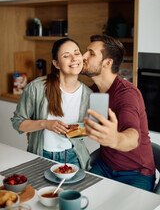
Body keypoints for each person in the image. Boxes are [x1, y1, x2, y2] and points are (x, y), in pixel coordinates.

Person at [81, 34, 155, 191]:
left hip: (136, 173)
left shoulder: (127, 94)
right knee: (78, 197)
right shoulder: (95, 90)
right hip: (105, 166)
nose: (83, 56)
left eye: (91, 53)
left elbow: (133, 137)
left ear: (107, 63)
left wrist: (115, 139)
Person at [11, 38, 92, 170]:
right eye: (66, 56)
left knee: (74, 191)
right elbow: (17, 123)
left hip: (73, 157)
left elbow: (90, 131)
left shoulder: (88, 94)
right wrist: (45, 124)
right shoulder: (37, 87)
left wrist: (77, 130)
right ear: (56, 64)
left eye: (76, 53)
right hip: (40, 155)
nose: (73, 58)